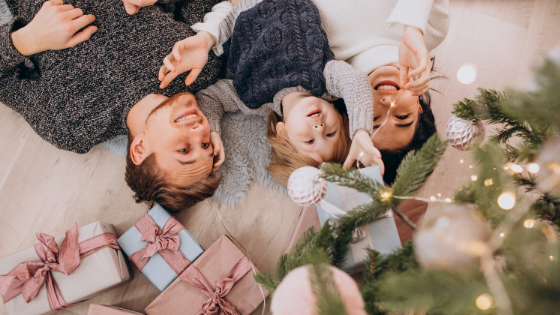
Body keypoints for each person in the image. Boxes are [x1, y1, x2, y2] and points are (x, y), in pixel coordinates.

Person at [162, 0, 449, 184]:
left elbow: (244, 9)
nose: (387, 103)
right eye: (403, 116)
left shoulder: (326, 64)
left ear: (347, 114)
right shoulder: (431, 27)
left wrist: (206, 37)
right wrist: (413, 28)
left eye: (374, 119)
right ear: (420, 106)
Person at [0, 0, 226, 210]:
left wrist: (25, 40)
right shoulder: (198, 67)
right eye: (205, 145)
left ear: (139, 149)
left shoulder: (72, 126)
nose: (200, 131)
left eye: (184, 150)